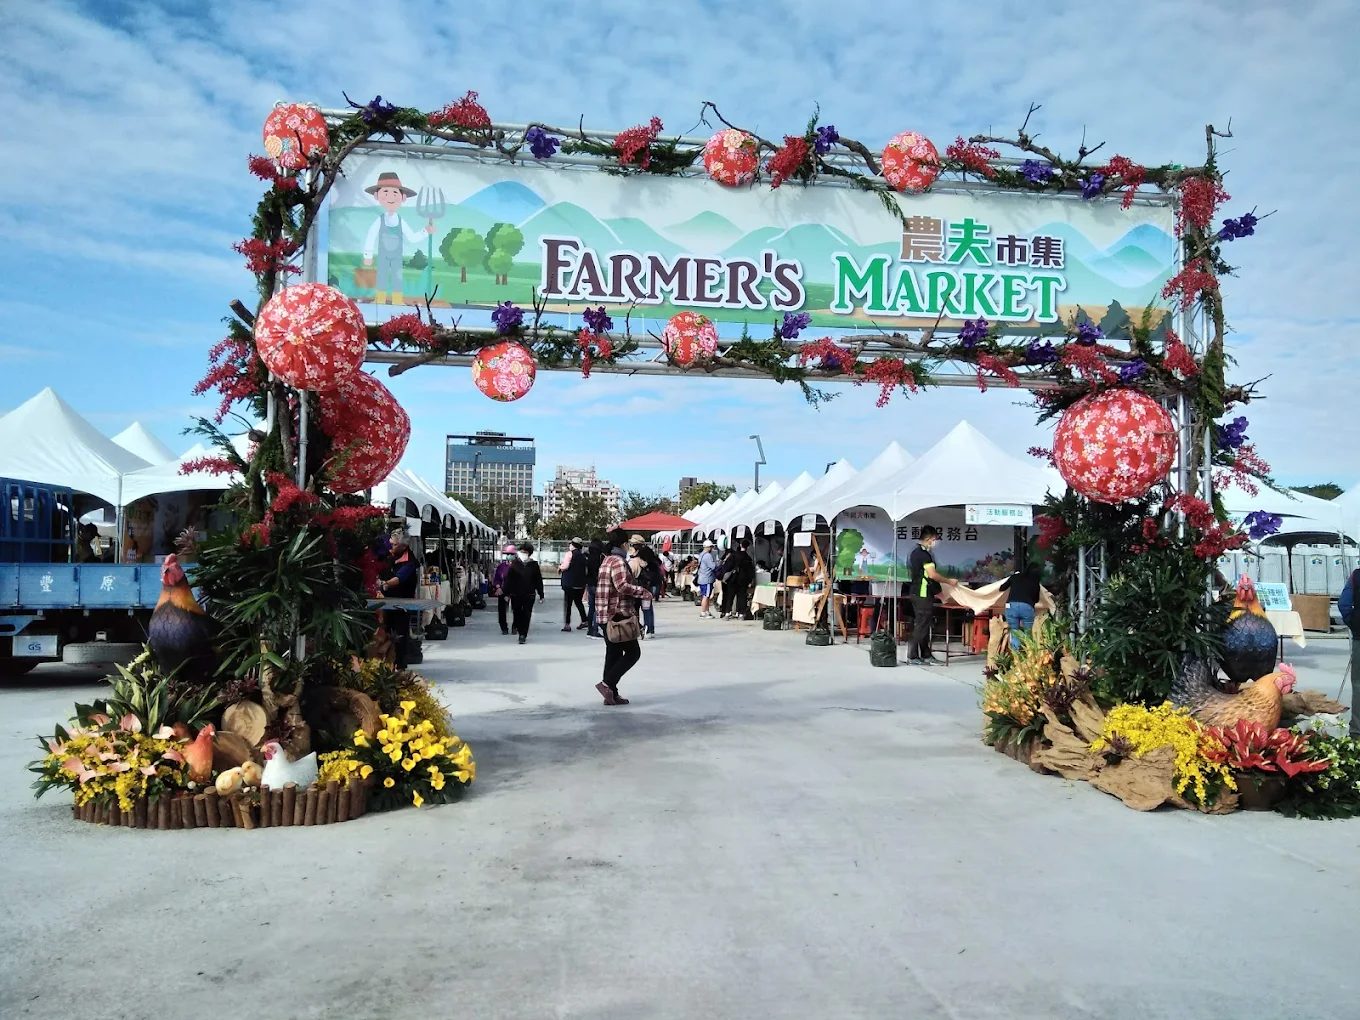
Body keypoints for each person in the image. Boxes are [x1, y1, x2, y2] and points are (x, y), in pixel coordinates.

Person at [595, 529, 655, 705]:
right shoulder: (618, 561)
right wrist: (642, 592)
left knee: (613, 653)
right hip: (617, 614)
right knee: (633, 652)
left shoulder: (607, 560)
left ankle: (611, 694)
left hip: (604, 614)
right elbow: (622, 586)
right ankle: (607, 684)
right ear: (624, 544)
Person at [361, 171, 435, 305]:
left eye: (395, 193)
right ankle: (380, 299)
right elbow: (371, 236)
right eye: (386, 192)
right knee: (382, 276)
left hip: (396, 256)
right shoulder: (380, 220)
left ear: (403, 198)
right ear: (377, 196)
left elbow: (412, 237)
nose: (390, 197)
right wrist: (368, 255)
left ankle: (397, 300)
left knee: (397, 278)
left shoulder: (401, 221)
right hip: (383, 255)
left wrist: (425, 231)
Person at [907, 526, 958, 665]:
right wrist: (949, 581)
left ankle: (925, 654)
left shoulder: (914, 552)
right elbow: (932, 575)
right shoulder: (923, 555)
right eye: (935, 539)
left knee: (923, 625)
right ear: (929, 539)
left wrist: (939, 593)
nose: (935, 542)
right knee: (922, 625)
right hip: (922, 594)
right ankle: (912, 656)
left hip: (918, 592)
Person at [379, 528, 420, 668]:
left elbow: (399, 578)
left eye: (395, 545)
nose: (391, 546)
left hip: (402, 604)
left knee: (399, 635)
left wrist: (385, 584)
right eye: (391, 543)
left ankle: (399, 665)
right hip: (385, 603)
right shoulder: (388, 553)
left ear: (403, 546)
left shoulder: (409, 560)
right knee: (384, 632)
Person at [999, 557, 1043, 651]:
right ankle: (1028, 654)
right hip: (1027, 607)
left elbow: (1001, 588)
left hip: (1011, 606)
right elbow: (1036, 600)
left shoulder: (1015, 577)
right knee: (1028, 632)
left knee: (1014, 631)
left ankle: (1016, 655)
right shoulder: (1035, 583)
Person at [504, 542, 545, 644]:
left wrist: (541, 594)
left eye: (525, 552)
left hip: (529, 594)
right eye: (521, 551)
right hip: (515, 594)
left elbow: (538, 580)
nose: (522, 553)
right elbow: (509, 580)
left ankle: (523, 634)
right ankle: (518, 627)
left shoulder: (534, 565)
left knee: (527, 614)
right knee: (517, 613)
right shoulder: (514, 564)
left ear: (529, 553)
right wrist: (506, 593)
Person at [628, 536, 664, 638]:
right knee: (647, 609)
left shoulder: (634, 560)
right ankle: (650, 630)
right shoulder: (649, 557)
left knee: (635, 609)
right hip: (647, 587)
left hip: (636, 588)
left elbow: (631, 575)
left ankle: (638, 629)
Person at [1340, 569, 1360, 739]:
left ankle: (1357, 734)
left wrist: (1355, 624)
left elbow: (1344, 604)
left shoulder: (1357, 575)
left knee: (1359, 686)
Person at [559, 537, 589, 632]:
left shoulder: (569, 554)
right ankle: (584, 620)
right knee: (578, 602)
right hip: (580, 584)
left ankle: (567, 624)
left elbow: (566, 566)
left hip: (569, 584)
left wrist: (560, 567)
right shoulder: (583, 556)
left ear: (573, 545)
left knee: (568, 604)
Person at [491, 543, 517, 636]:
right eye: (508, 554)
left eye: (512, 554)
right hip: (503, 590)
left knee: (517, 610)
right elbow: (496, 578)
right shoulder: (501, 566)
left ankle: (515, 627)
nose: (509, 556)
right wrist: (498, 587)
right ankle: (504, 628)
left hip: (515, 591)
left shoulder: (518, 566)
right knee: (502, 611)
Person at [585, 537, 606, 638]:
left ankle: (589, 629)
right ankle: (594, 629)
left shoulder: (589, 557)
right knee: (598, 608)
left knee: (591, 608)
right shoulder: (600, 558)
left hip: (590, 584)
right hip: (598, 584)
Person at [697, 540, 720, 619]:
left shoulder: (701, 555)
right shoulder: (708, 556)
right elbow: (713, 566)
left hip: (702, 578)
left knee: (705, 595)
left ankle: (707, 611)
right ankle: (703, 612)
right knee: (706, 596)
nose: (712, 548)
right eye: (711, 547)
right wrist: (718, 563)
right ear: (708, 547)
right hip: (707, 578)